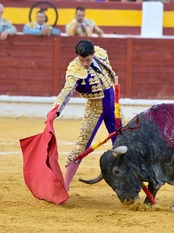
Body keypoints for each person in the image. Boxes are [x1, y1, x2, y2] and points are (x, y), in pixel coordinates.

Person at [50, 40, 120, 191]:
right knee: (81, 147)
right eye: (82, 60)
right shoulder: (75, 69)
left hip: (112, 107)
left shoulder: (100, 54)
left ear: (93, 55)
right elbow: (67, 91)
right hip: (95, 109)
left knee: (123, 144)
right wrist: (56, 109)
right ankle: (65, 187)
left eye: (87, 60)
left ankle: (130, 186)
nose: (85, 64)